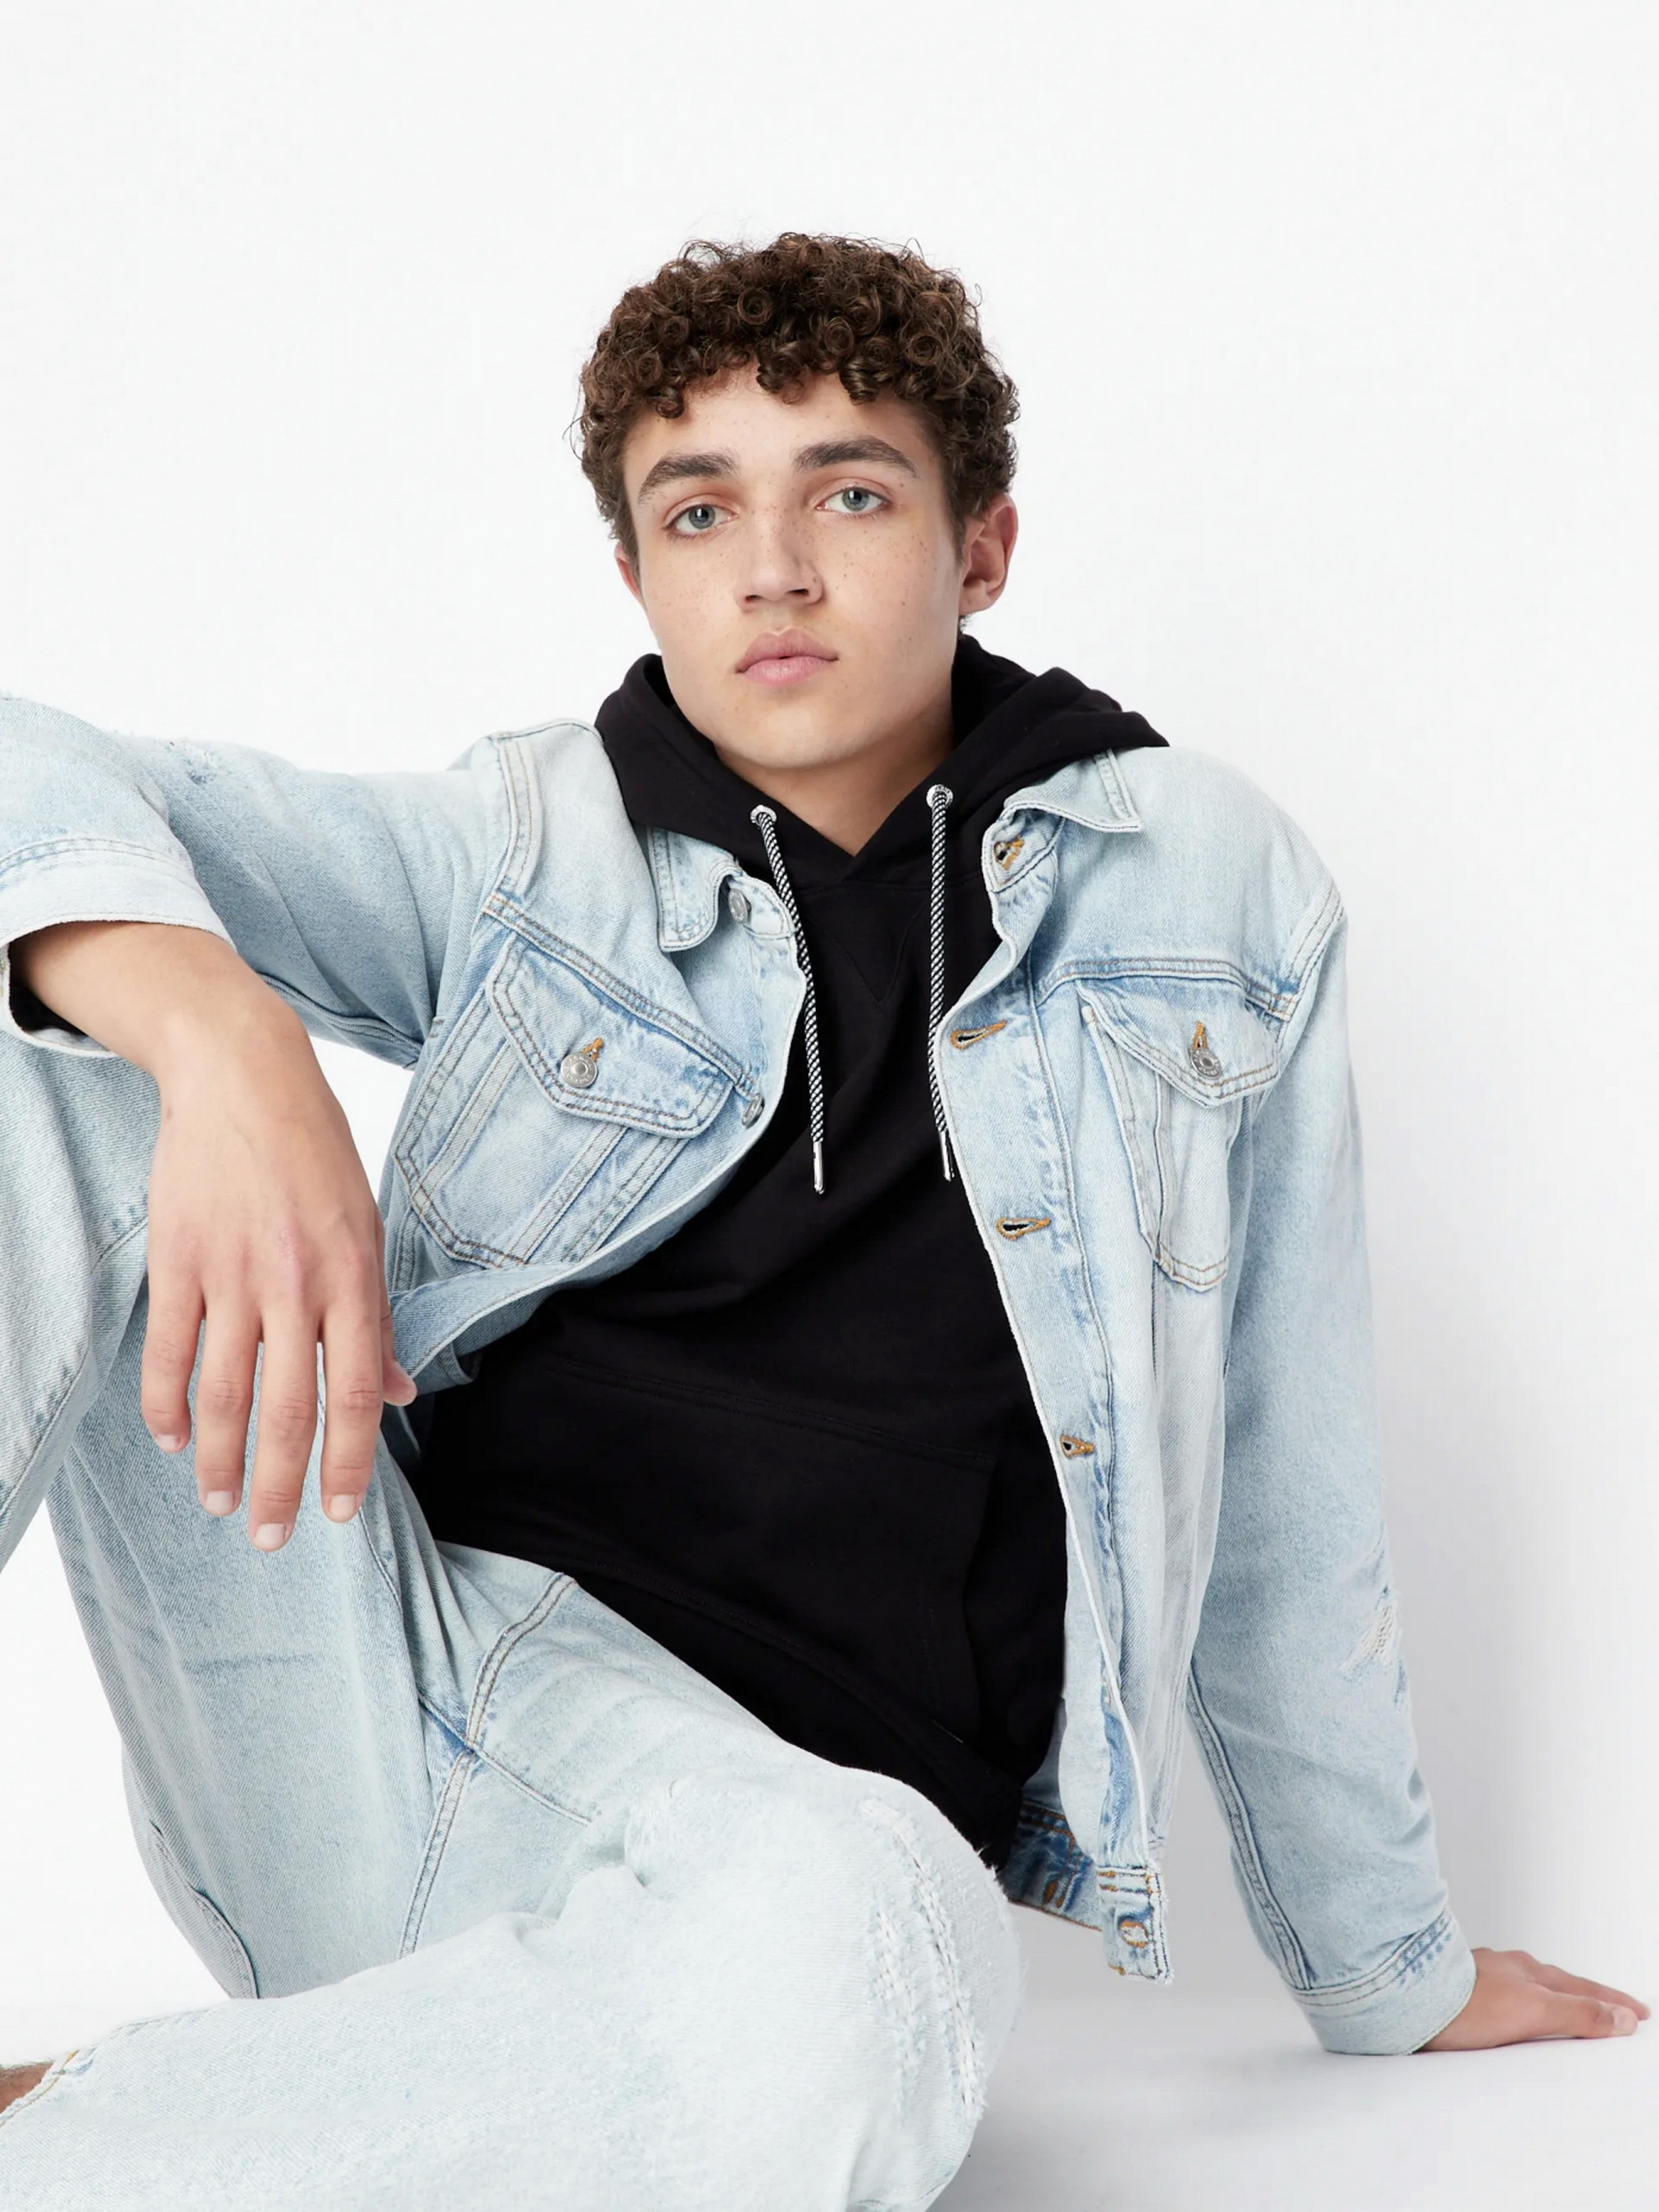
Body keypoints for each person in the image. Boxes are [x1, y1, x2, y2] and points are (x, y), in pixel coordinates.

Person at [0, 233, 1643, 2210]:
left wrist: (1387, 1970)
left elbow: (1284, 1476)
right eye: (698, 511)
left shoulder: (1204, 886)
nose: (770, 569)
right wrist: (225, 1039)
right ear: (638, 576)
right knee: (52, 1028)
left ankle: (148, 2132)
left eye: (848, 495)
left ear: (980, 547)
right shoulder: (519, 849)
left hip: (782, 1863)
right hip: (359, 1686)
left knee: (871, 1948)